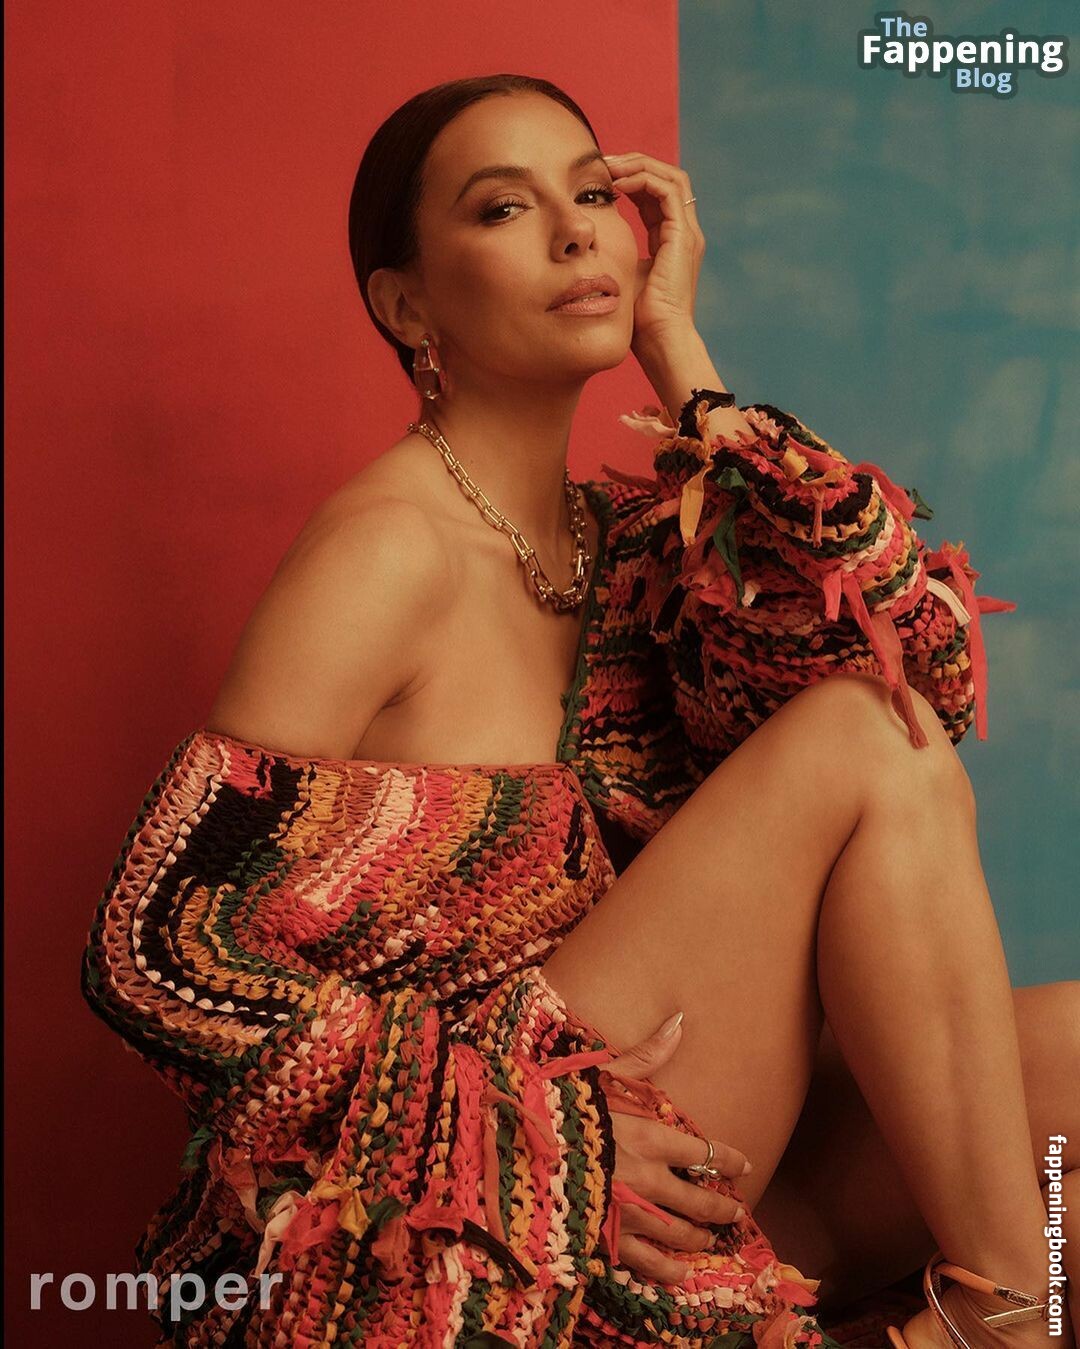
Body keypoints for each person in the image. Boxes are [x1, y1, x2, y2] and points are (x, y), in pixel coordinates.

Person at [80, 74, 1079, 1348]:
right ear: (405, 305)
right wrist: (506, 1131)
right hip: (467, 1215)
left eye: (594, 194)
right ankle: (1009, 1309)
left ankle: (993, 1302)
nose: (574, 233)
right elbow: (157, 944)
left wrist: (687, 364)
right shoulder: (386, 550)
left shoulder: (631, 547)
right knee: (855, 739)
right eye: (504, 208)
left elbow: (908, 663)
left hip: (666, 1148)